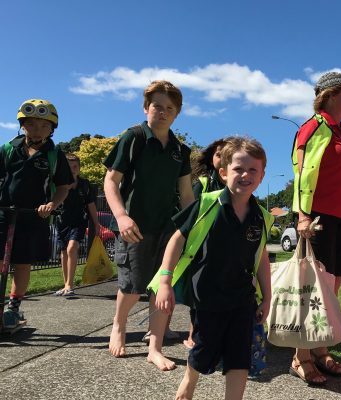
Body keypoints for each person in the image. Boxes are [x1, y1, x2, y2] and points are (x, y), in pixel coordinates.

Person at [153, 136, 272, 400]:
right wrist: (164, 281)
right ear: (223, 172)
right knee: (205, 349)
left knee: (239, 355)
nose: (245, 175)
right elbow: (176, 240)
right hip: (207, 295)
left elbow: (262, 258)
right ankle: (189, 382)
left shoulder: (261, 217)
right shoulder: (207, 204)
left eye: (253, 169)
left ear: (262, 176)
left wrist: (268, 297)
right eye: (238, 168)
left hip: (243, 297)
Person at [103, 80, 194, 371]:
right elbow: (111, 181)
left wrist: (194, 227)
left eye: (170, 108)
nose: (163, 112)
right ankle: (119, 324)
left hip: (168, 228)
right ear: (146, 108)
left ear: (177, 114)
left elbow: (187, 194)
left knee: (161, 286)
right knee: (132, 286)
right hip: (135, 226)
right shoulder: (134, 138)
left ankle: (154, 348)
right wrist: (121, 216)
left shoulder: (181, 150)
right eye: (157, 106)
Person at [290, 71, 341, 385]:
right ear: (333, 94)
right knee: (313, 288)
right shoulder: (312, 128)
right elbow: (300, 173)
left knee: (331, 290)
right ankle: (300, 356)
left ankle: (320, 349)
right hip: (318, 217)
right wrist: (302, 216)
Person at [1, 99, 72, 329]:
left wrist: (51, 204)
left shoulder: (54, 155)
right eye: (31, 124)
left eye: (43, 126)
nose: (37, 130)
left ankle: (13, 307)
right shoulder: (9, 149)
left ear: (52, 129)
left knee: (22, 263)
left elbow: (63, 186)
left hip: (33, 216)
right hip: (4, 212)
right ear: (23, 126)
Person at [184, 138, 228, 349]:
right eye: (219, 154)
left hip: (227, 251)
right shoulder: (201, 184)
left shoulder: (239, 184)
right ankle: (195, 332)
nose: (223, 159)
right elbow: (190, 219)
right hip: (202, 248)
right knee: (199, 292)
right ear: (211, 158)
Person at [54, 153, 102, 296]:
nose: (73, 169)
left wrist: (96, 223)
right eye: (69, 167)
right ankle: (66, 284)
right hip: (62, 221)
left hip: (79, 221)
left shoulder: (84, 185)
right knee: (63, 251)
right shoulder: (59, 184)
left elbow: (91, 204)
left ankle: (70, 285)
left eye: (75, 166)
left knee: (71, 248)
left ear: (79, 168)